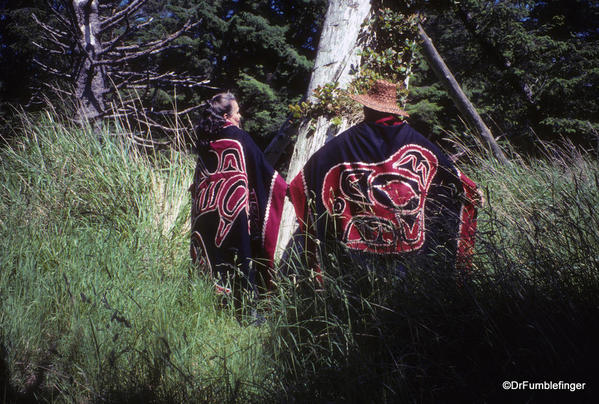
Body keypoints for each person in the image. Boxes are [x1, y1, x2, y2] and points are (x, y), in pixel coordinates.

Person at [288, 80, 480, 280]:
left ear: (366, 107)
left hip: (359, 246)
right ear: (394, 111)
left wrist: (293, 191)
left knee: (361, 293)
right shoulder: (416, 141)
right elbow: (449, 175)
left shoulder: (344, 143)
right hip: (406, 245)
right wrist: (471, 191)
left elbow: (302, 182)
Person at [190, 92, 287, 298]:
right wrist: (285, 188)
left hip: (206, 212)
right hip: (232, 211)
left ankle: (208, 297)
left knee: (211, 254)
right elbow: (262, 169)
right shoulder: (239, 136)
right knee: (238, 255)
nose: (240, 116)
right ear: (226, 117)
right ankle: (245, 307)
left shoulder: (205, 142)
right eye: (237, 112)